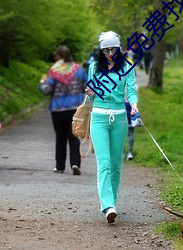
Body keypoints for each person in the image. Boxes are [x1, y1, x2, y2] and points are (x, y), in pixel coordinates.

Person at [85, 31, 138, 223]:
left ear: (118, 48)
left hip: (120, 118)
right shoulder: (94, 67)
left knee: (116, 164)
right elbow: (91, 96)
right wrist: (90, 92)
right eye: (105, 49)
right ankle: (107, 205)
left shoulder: (127, 67)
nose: (109, 53)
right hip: (98, 117)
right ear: (101, 50)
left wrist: (134, 104)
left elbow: (131, 90)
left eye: (112, 49)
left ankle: (112, 201)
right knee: (104, 163)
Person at [39, 45, 87, 175]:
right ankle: (75, 163)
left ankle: (60, 167)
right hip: (75, 109)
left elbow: (47, 90)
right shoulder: (79, 70)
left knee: (60, 138)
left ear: (58, 57)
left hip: (58, 109)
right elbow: (86, 87)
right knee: (74, 136)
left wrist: (42, 83)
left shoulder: (54, 71)